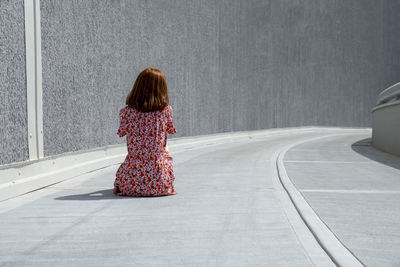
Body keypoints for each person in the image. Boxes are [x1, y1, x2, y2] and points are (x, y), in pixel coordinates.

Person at [113, 67, 177, 197]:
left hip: (131, 182)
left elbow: (122, 132)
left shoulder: (126, 112)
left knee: (132, 157)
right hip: (159, 182)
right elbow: (169, 131)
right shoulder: (166, 111)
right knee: (165, 150)